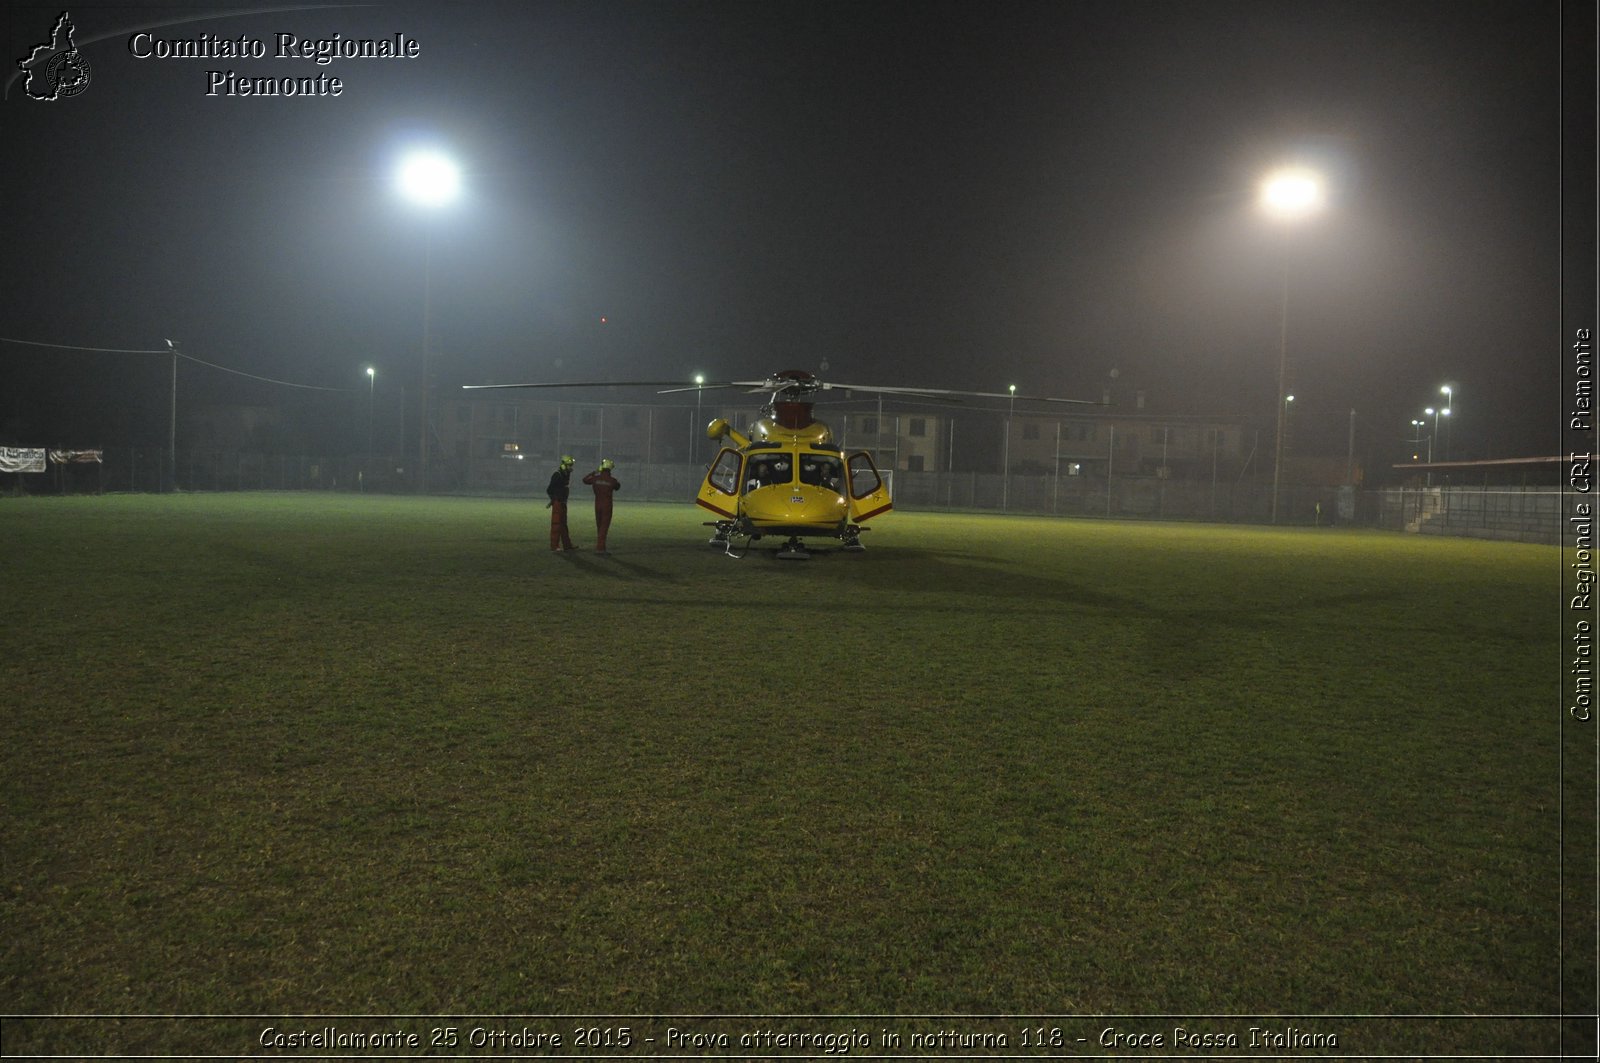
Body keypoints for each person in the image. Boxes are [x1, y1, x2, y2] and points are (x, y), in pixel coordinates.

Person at [581, 458, 621, 554]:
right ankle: (601, 548)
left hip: (597, 504)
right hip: (607, 505)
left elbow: (585, 480)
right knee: (604, 527)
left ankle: (600, 545)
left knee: (599, 526)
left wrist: (595, 472)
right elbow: (617, 487)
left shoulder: (596, 478)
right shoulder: (612, 480)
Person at [546, 455, 577, 551]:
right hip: (558, 503)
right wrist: (553, 499)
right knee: (556, 525)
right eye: (569, 465)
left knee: (563, 525)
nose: (571, 467)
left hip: (563, 502)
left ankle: (567, 545)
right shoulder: (557, 475)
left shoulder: (565, 474)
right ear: (564, 465)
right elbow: (549, 489)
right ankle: (554, 546)